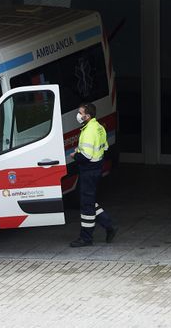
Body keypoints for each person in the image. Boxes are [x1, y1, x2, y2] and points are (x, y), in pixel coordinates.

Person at [70, 102, 118, 247]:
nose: (78, 115)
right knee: (88, 202)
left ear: (88, 116)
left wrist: (75, 156)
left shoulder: (90, 131)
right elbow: (105, 147)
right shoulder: (99, 127)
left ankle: (86, 238)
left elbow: (86, 156)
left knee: (86, 206)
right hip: (96, 168)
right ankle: (109, 226)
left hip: (89, 169)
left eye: (81, 112)